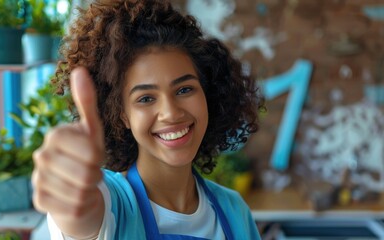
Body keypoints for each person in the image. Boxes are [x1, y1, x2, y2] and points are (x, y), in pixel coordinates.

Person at [32, 0, 263, 239]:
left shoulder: (234, 210)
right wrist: (69, 199)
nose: (171, 113)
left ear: (208, 93)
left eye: (184, 90)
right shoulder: (112, 204)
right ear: (122, 115)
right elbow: (81, 218)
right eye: (145, 98)